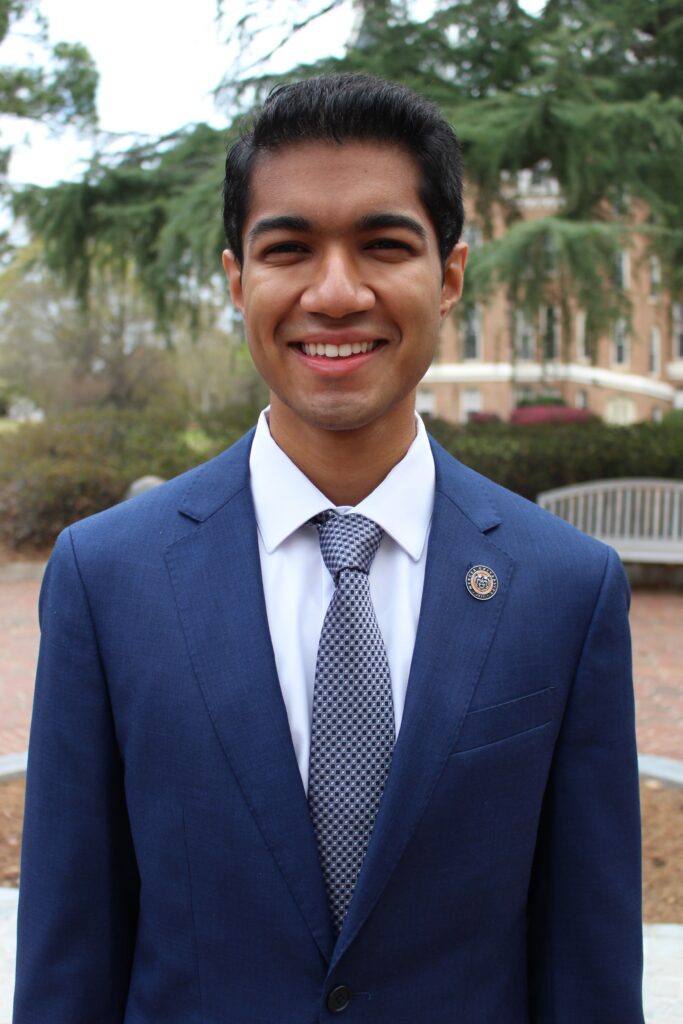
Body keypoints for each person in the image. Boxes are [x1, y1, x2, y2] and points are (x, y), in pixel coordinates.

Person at [14, 74, 644, 1023]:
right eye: (290, 248)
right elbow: (69, 955)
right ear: (237, 280)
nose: (336, 291)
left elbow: (588, 968)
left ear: (449, 275)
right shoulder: (107, 579)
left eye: (384, 245)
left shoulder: (564, 587)